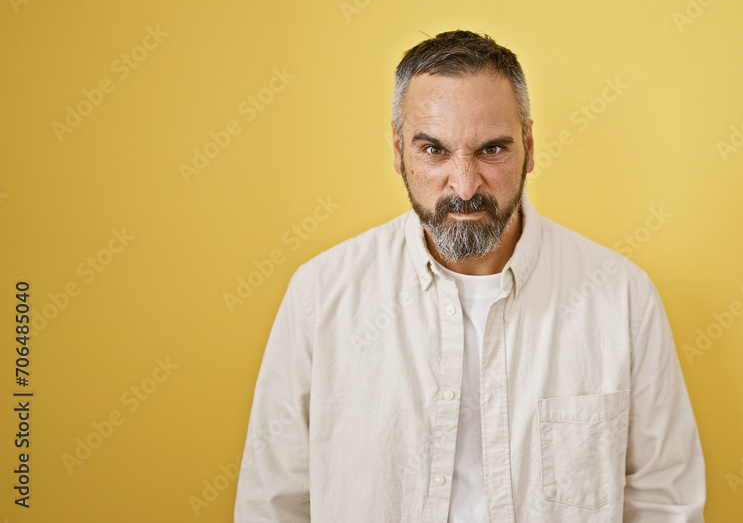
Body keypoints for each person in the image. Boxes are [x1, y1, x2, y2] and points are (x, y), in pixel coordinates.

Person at [234, 29, 705, 522]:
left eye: (491, 150)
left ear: (528, 146)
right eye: (434, 150)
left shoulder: (622, 298)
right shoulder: (320, 296)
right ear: (398, 151)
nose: (464, 186)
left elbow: (664, 499)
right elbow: (272, 503)